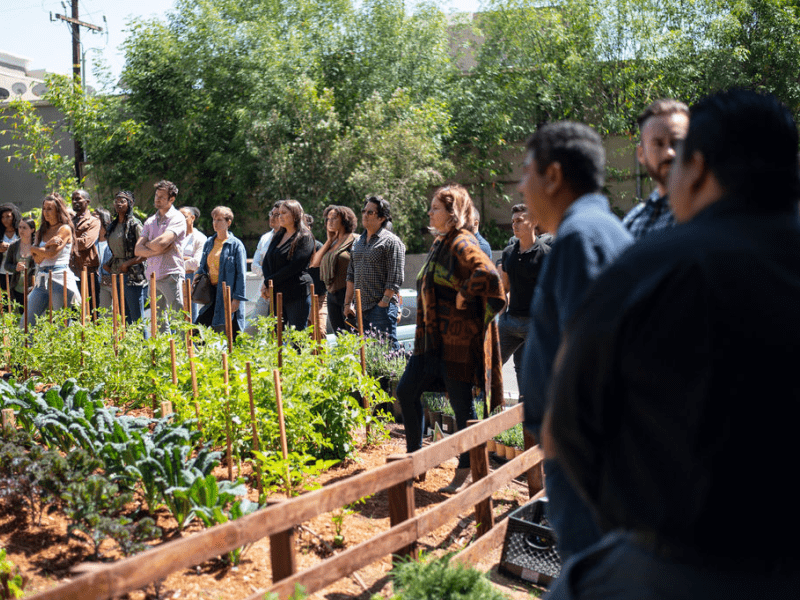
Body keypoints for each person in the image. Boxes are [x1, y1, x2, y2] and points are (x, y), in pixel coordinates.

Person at [543, 89, 800, 600]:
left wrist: (640, 529)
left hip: (679, 565)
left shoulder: (647, 268)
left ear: (698, 166)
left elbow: (567, 427)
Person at [519, 121, 633, 560]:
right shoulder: (597, 229)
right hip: (587, 453)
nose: (521, 185)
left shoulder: (580, 238)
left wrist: (555, 432)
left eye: (526, 170)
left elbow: (591, 353)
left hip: (582, 459)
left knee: (591, 571)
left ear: (553, 175)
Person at [397, 184, 506, 494]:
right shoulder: (440, 243)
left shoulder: (462, 242)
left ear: (452, 212)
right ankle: (416, 458)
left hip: (456, 343)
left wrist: (464, 292)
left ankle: (467, 469)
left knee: (462, 408)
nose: (430, 212)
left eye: (436, 208)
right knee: (406, 391)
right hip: (430, 343)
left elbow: (489, 275)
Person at [497, 204, 550, 393]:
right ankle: (486, 410)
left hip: (534, 324)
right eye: (513, 221)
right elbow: (505, 286)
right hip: (510, 323)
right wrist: (502, 315)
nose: (515, 225)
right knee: (489, 366)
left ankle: (528, 412)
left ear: (534, 221)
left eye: (520, 220)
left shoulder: (545, 254)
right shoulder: (508, 253)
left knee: (532, 373)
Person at [623, 99, 689, 240]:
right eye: (658, 144)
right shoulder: (631, 223)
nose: (669, 153)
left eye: (677, 142)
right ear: (641, 154)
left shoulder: (710, 216)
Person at [344, 196, 405, 347]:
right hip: (360, 309)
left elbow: (395, 278)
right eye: (363, 211)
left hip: (381, 309)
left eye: (370, 212)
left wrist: (383, 304)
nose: (364, 215)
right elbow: (351, 274)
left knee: (388, 356)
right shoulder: (358, 242)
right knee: (367, 359)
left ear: (382, 218)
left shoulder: (391, 242)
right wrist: (347, 303)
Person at [135, 180, 187, 328]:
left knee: (178, 317)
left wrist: (148, 245)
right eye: (156, 195)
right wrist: (155, 247)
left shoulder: (177, 218)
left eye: (162, 197)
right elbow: (137, 250)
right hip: (152, 276)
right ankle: (165, 349)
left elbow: (163, 242)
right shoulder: (150, 221)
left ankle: (185, 349)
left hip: (171, 273)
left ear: (172, 199)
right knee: (159, 321)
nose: (157, 199)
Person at [26, 193, 81, 326]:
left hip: (59, 278)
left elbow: (51, 254)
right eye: (44, 209)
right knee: (26, 322)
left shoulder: (65, 229)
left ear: (58, 210)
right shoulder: (41, 231)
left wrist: (34, 249)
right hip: (42, 278)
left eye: (50, 209)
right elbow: (38, 260)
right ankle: (28, 346)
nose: (46, 212)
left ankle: (66, 346)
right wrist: (45, 246)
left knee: (61, 323)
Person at [260, 199, 315, 330]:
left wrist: (269, 282)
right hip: (277, 292)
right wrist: (267, 284)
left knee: (297, 338)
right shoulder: (279, 235)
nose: (280, 216)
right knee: (274, 335)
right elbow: (267, 260)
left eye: (284, 213)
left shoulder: (304, 237)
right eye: (279, 213)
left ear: (295, 214)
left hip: (296, 293)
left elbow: (294, 267)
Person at [194, 206, 247, 339]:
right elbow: (202, 266)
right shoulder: (209, 242)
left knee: (234, 333)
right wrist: (196, 278)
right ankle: (207, 358)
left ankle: (236, 358)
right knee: (198, 331)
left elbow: (241, 274)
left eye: (219, 220)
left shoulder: (236, 245)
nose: (215, 223)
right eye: (213, 219)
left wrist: (237, 299)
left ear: (228, 222)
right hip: (212, 293)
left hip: (228, 294)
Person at [309, 205, 358, 334]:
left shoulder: (355, 240)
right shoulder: (333, 242)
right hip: (332, 294)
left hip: (348, 294)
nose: (329, 221)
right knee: (340, 337)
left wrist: (350, 301)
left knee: (354, 336)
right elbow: (314, 263)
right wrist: (329, 241)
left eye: (334, 218)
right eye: (328, 218)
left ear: (345, 220)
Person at [105, 191, 147, 323]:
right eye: (116, 200)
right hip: (116, 273)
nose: (118, 203)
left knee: (136, 316)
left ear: (130, 204)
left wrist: (127, 264)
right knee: (124, 315)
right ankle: (128, 342)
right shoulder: (113, 225)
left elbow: (144, 253)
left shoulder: (135, 224)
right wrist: (110, 263)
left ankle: (142, 343)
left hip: (132, 275)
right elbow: (116, 251)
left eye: (122, 201)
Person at [244, 202, 282, 336]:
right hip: (265, 289)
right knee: (252, 327)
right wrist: (268, 275)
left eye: (277, 215)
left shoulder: (290, 238)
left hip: (284, 290)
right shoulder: (265, 238)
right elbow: (254, 265)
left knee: (281, 330)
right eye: (271, 214)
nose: (272, 217)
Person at [69, 190, 101, 309]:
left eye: (78, 199)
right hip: (72, 271)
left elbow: (85, 243)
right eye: (73, 199)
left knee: (93, 310)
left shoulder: (94, 221)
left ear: (87, 201)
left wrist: (68, 240)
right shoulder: (69, 222)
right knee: (74, 310)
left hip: (88, 271)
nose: (74, 202)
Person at [180, 206, 207, 321]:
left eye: (184, 217)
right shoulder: (175, 237)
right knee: (177, 313)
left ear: (192, 218)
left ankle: (192, 339)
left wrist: (177, 261)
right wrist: (185, 258)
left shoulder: (200, 238)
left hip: (191, 279)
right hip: (176, 277)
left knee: (191, 314)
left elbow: (196, 263)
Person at [2, 216, 35, 310]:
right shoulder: (14, 246)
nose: (21, 230)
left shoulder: (36, 246)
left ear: (32, 230)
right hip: (16, 288)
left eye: (24, 228)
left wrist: (35, 283)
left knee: (33, 316)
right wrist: (15, 267)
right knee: (19, 316)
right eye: (20, 227)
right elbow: (6, 265)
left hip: (32, 288)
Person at [305, 213, 329, 333]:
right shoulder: (294, 247)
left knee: (319, 331)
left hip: (318, 295)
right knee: (305, 333)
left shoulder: (318, 247)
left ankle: (321, 352)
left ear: (310, 227)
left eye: (306, 224)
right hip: (302, 296)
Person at [0, 203, 21, 300]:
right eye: (2, 217)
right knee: (5, 301)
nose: (5, 220)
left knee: (19, 300)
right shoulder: (1, 233)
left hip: (19, 272)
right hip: (3, 272)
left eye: (8, 217)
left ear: (14, 216)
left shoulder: (20, 231)